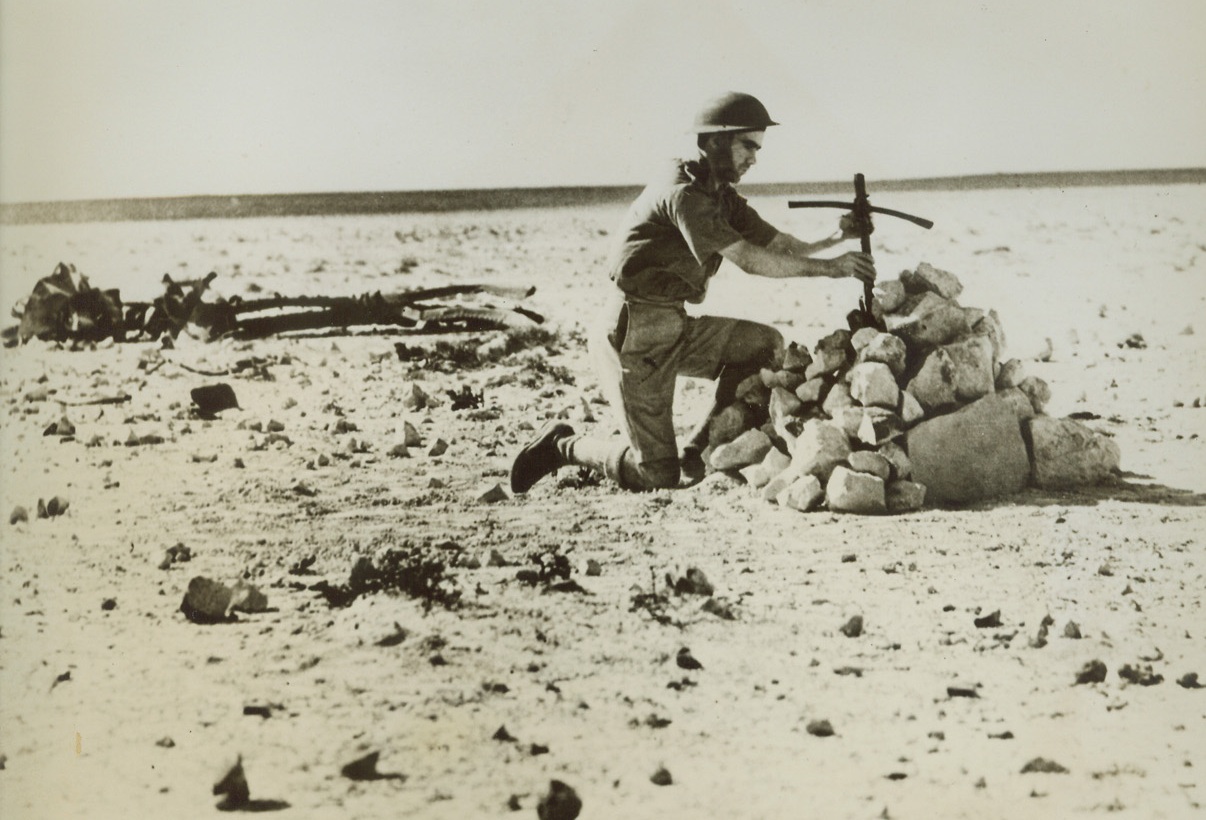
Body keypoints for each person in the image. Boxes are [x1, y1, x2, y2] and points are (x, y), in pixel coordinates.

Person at [510, 91, 876, 493]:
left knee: (763, 346)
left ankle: (696, 450)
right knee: (656, 476)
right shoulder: (685, 194)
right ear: (716, 141)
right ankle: (562, 444)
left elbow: (776, 244)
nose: (754, 158)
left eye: (757, 148)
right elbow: (749, 260)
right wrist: (832, 269)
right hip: (633, 335)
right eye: (748, 146)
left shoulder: (719, 194)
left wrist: (836, 237)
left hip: (673, 322)